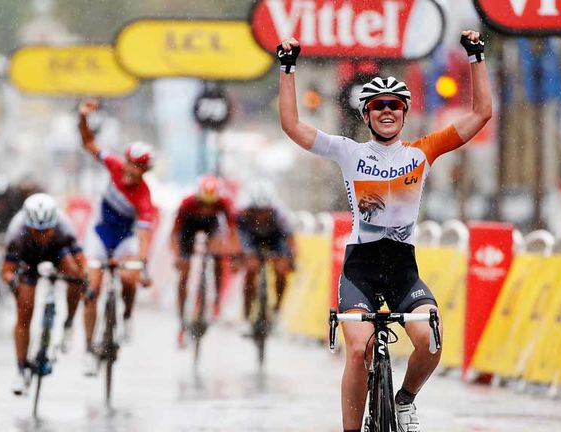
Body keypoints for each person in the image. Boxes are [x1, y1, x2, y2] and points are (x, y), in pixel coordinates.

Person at [277, 30, 491, 432]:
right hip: (359, 269)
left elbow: (481, 114)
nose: (387, 111)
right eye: (378, 106)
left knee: (430, 339)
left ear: (405, 112)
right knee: (358, 348)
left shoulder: (422, 152)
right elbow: (291, 124)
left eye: (395, 105)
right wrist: (288, 68)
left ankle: (405, 399)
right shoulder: (348, 152)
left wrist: (477, 56)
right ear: (367, 114)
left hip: (401, 270)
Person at [77, 99, 155, 372]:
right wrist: (83, 118)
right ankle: (88, 348)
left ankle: (127, 315)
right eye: (130, 163)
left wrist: (143, 266)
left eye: (137, 167)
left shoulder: (144, 198)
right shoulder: (114, 165)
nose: (130, 170)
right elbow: (88, 143)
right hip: (99, 233)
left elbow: (144, 238)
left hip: (125, 239)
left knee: (127, 277)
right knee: (91, 289)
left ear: (144, 171)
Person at [1, 193, 88, 395]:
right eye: (36, 231)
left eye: (46, 230)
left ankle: (68, 323)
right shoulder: (17, 231)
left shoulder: (64, 227)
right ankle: (21, 371)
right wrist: (14, 282)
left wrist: (86, 283)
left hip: (58, 253)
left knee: (75, 277)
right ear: (28, 225)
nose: (41, 235)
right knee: (24, 310)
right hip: (28, 260)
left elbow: (82, 263)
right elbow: (6, 270)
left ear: (54, 224)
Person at [171, 175, 240, 347]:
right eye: (204, 203)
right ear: (199, 196)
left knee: (218, 254)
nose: (207, 207)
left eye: (211, 204)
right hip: (189, 228)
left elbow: (233, 232)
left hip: (212, 227)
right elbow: (175, 232)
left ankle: (216, 300)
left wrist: (234, 255)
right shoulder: (187, 203)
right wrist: (177, 255)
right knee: (184, 273)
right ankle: (182, 319)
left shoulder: (224, 203)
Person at [236, 181, 296, 322]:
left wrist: (291, 257)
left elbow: (290, 238)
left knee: (281, 270)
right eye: (256, 211)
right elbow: (237, 238)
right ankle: (247, 312)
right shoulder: (242, 214)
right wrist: (240, 256)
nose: (261, 215)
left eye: (265, 211)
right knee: (251, 270)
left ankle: (277, 309)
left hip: (275, 239)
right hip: (252, 239)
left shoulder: (280, 214)